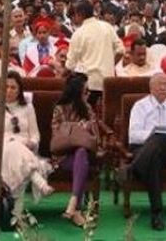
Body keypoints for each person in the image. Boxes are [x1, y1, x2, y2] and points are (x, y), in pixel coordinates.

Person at [0, 71, 53, 218]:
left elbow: (35, 135)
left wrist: (31, 143)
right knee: (13, 148)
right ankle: (38, 181)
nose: (9, 90)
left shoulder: (28, 107)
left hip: (25, 152)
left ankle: (16, 213)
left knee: (17, 155)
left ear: (20, 89)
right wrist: (16, 141)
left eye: (13, 87)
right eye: (6, 87)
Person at [127, 73, 166, 230]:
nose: (163, 87)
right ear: (151, 87)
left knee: (160, 140)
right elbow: (133, 136)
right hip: (142, 149)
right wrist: (152, 136)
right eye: (159, 84)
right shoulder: (140, 106)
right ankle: (157, 214)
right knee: (154, 154)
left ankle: (134, 168)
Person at [51, 74, 97, 227]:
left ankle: (74, 202)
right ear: (78, 92)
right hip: (63, 156)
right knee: (80, 158)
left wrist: (86, 128)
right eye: (86, 91)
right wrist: (77, 129)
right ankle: (76, 209)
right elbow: (57, 134)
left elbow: (94, 137)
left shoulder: (88, 109)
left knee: (82, 153)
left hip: (84, 155)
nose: (89, 94)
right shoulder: (59, 109)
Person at [65, 0, 124, 107]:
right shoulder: (107, 27)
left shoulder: (78, 34)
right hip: (107, 82)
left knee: (88, 118)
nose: (74, 17)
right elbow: (121, 51)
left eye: (75, 14)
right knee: (104, 116)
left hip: (87, 85)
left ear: (80, 14)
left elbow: (70, 65)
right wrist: (110, 64)